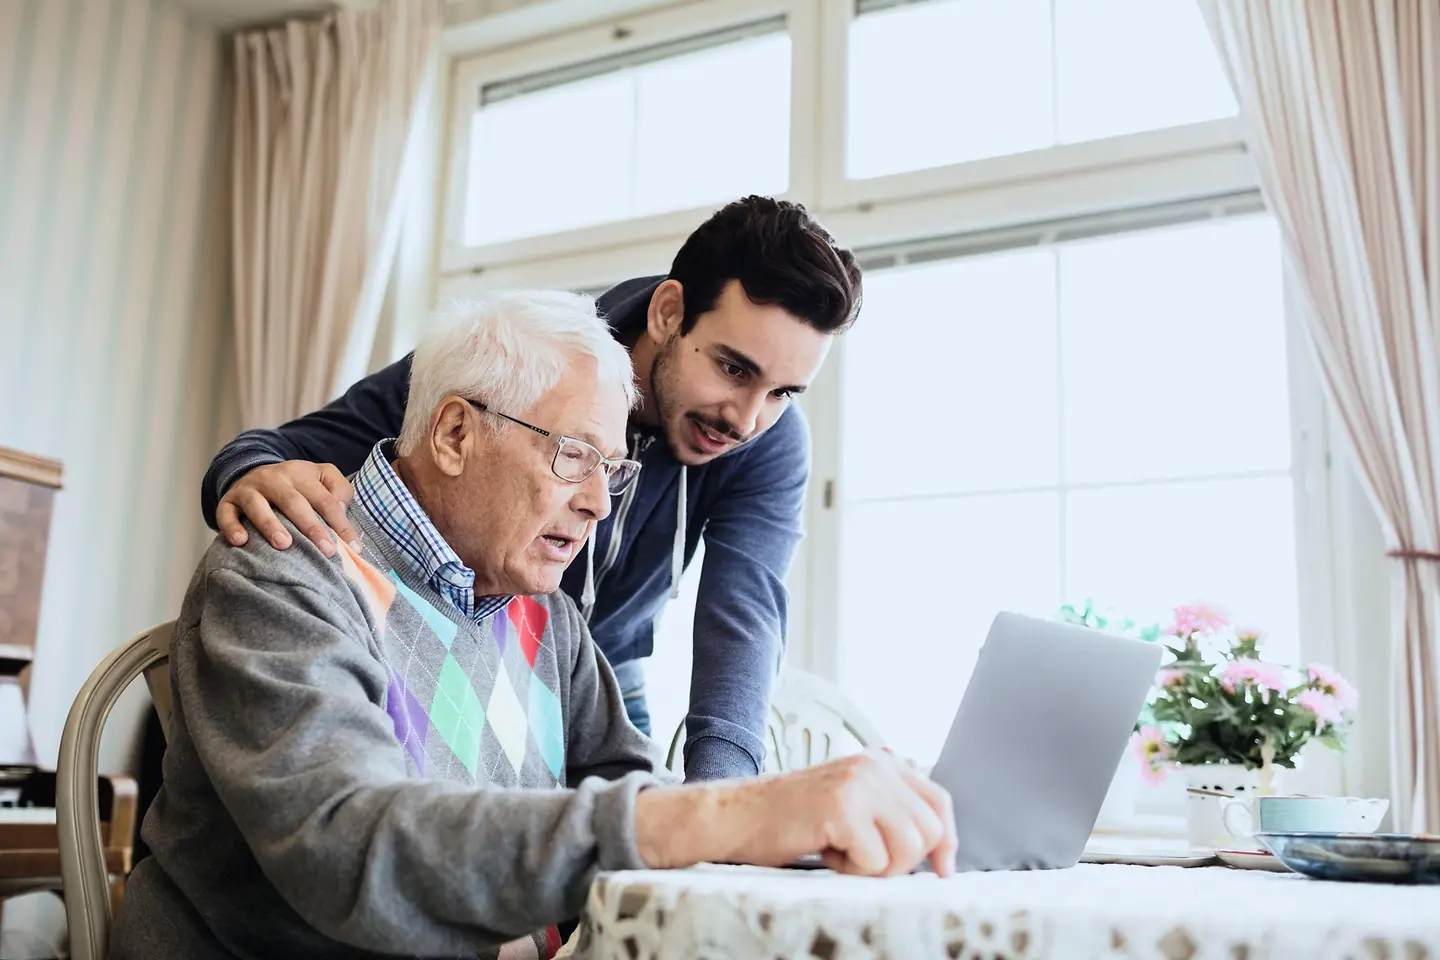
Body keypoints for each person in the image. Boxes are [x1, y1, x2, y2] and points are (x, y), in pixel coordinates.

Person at [112, 292, 954, 960]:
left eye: (612, 468)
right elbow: (353, 849)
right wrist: (724, 816)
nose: (596, 504)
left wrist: (779, 832)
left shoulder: (540, 611)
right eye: (571, 456)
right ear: (451, 433)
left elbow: (630, 781)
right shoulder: (284, 571)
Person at [201, 195, 863, 782]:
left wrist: (722, 803)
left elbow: (744, 616)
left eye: (781, 392)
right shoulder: (533, 360)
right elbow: (290, 449)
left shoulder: (767, 441)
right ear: (669, 313)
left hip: (597, 680)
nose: (747, 419)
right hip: (462, 648)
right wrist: (249, 474)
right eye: (732, 368)